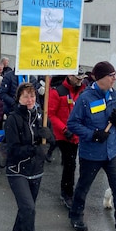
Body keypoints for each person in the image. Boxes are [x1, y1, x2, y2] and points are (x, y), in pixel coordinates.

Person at [66, 61, 116, 231]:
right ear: (100, 78)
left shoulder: (115, 96)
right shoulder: (85, 98)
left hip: (112, 152)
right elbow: (73, 124)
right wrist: (93, 135)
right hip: (91, 154)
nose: (115, 78)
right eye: (111, 75)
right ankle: (76, 215)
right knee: (83, 187)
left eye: (115, 75)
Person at [5, 82, 54, 231]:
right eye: (25, 96)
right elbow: (12, 149)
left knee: (27, 208)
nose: (29, 99)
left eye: (32, 95)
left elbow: (52, 143)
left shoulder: (42, 116)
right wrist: (34, 150)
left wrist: (48, 136)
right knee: (28, 208)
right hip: (17, 170)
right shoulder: (13, 119)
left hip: (36, 170)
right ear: (18, 98)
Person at [48, 70, 86, 209]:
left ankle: (70, 190)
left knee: (75, 164)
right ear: (70, 76)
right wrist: (65, 129)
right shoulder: (58, 92)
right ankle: (66, 193)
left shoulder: (83, 91)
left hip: (77, 134)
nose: (81, 80)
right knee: (70, 165)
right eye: (78, 77)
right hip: (63, 135)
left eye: (82, 77)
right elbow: (51, 114)